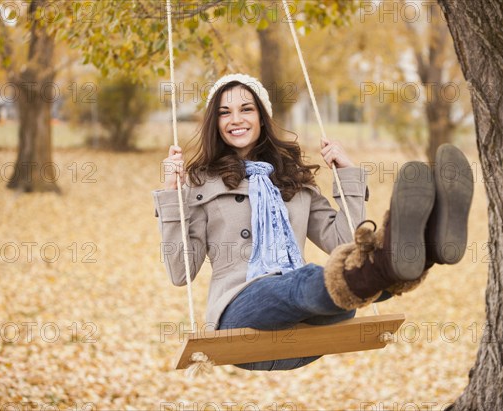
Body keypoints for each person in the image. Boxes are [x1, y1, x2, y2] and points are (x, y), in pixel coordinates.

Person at [153, 73, 474, 371]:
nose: (236, 119)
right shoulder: (201, 183)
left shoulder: (292, 178)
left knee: (339, 282)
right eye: (224, 112)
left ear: (262, 118)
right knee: (308, 281)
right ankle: (394, 258)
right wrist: (172, 195)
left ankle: (430, 245)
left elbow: (342, 242)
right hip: (241, 314)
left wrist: (346, 175)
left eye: (246, 109)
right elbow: (181, 272)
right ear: (216, 122)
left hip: (312, 322)